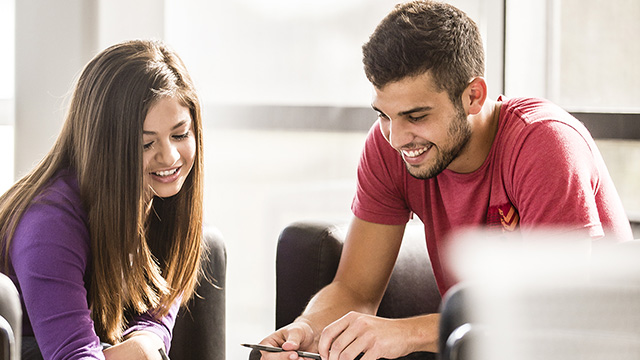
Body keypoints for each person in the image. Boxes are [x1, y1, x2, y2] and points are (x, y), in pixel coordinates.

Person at [258, 1, 634, 359]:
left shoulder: (545, 143)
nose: (397, 137)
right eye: (384, 115)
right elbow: (354, 288)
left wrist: (406, 333)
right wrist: (307, 330)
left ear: (473, 95)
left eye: (416, 116)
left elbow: (556, 316)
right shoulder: (389, 144)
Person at [0, 39, 205, 360]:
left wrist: (145, 341)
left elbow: (158, 314)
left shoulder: (165, 198)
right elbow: (71, 353)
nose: (169, 156)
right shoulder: (48, 221)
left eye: (180, 135)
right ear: (104, 146)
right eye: (145, 144)